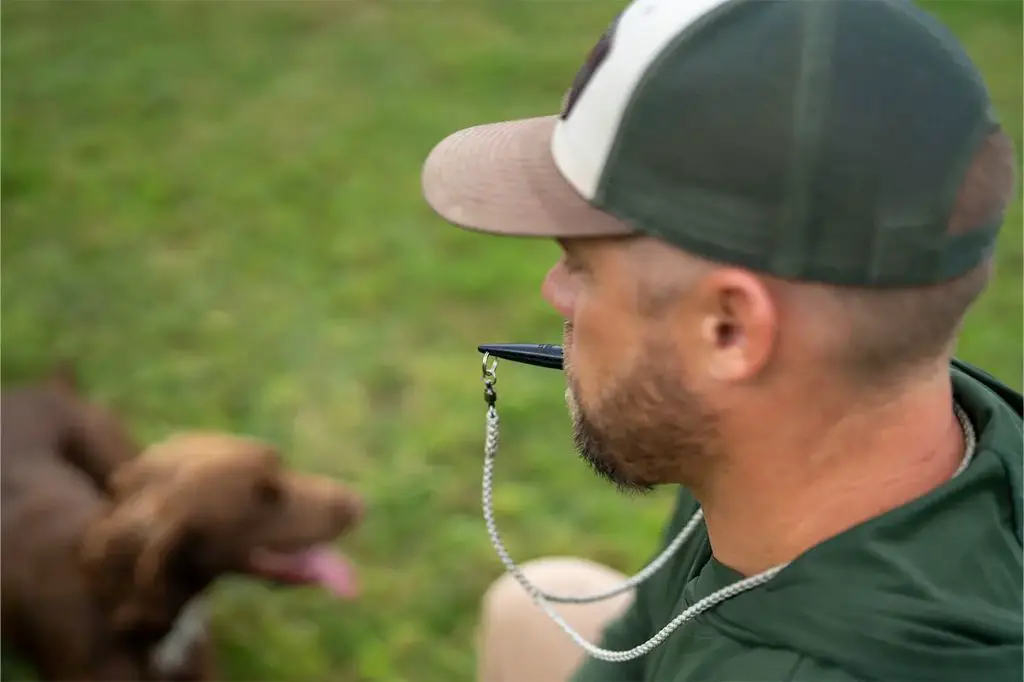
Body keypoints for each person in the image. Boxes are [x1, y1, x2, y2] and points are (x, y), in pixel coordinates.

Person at [421, 0, 1022, 680]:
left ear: (729, 331)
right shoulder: (798, 442)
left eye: (581, 264)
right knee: (527, 610)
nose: (553, 291)